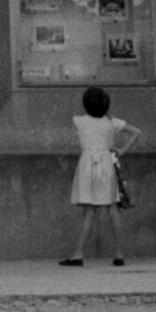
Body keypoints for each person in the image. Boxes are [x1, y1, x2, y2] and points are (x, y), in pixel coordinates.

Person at [59, 85, 140, 267]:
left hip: (87, 164)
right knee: (113, 208)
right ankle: (119, 254)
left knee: (89, 211)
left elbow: (80, 120)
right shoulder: (111, 122)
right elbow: (136, 133)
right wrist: (121, 150)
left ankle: (78, 254)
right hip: (106, 163)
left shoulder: (78, 120)